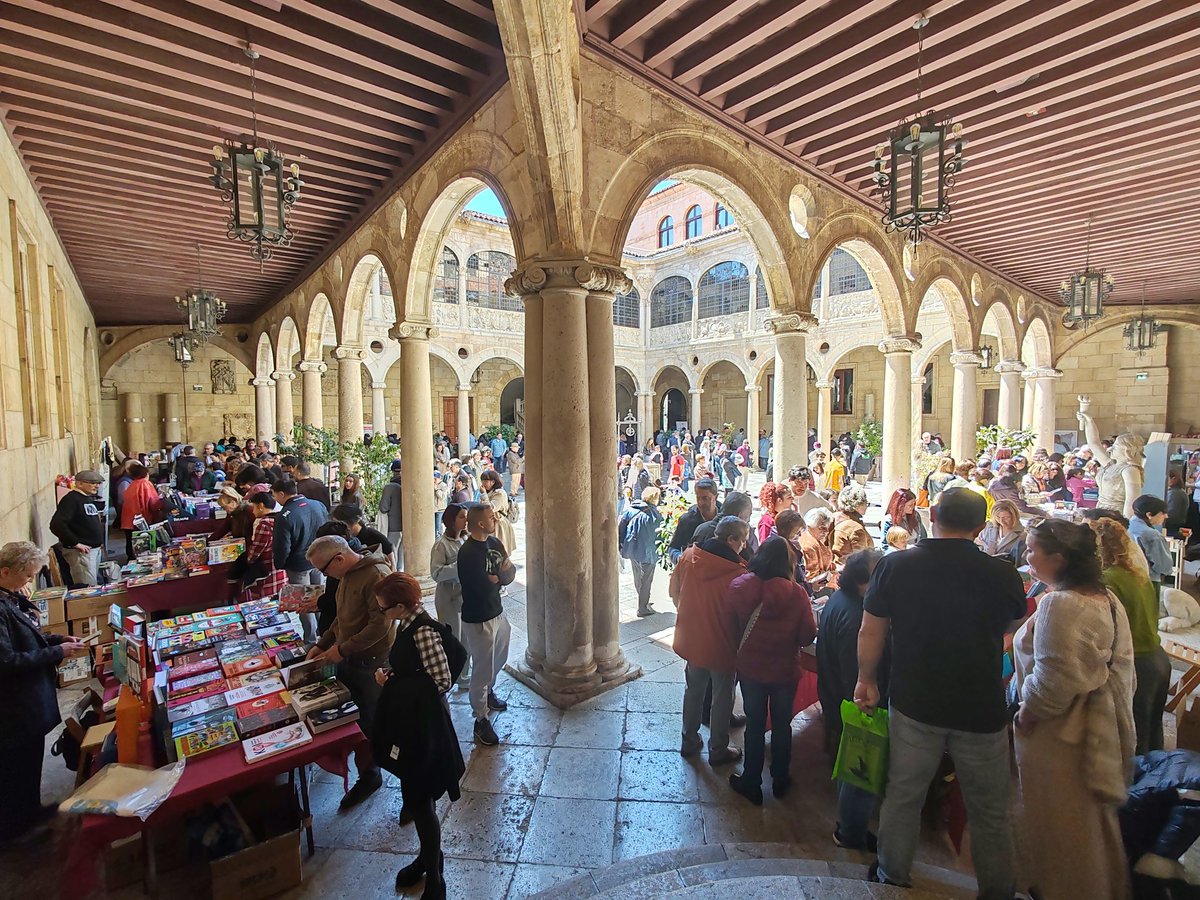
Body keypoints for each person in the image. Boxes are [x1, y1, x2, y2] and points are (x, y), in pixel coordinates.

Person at [855, 488, 1026, 897]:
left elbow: (871, 629)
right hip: (979, 704)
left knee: (903, 795)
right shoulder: (1001, 572)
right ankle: (998, 890)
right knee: (989, 811)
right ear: (981, 527)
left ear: (933, 516)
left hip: (916, 698)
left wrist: (866, 678)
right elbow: (1014, 624)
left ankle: (892, 874)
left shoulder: (896, 566)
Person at [1013, 520, 1135, 900]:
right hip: (1095, 724)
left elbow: (1053, 679)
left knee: (1060, 821)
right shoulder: (1106, 597)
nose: (1027, 557)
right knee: (1088, 821)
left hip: (1060, 732)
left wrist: (1026, 713)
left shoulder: (1060, 604)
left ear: (1059, 559)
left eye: (1033, 550)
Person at [372, 572, 463, 900]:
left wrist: (394, 684)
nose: (382, 613)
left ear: (398, 606)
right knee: (415, 796)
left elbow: (441, 679)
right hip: (413, 721)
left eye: (384, 608)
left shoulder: (422, 630)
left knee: (422, 801)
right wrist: (395, 674)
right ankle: (426, 859)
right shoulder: (405, 624)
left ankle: (435, 878)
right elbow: (416, 671)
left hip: (426, 726)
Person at [0, 542, 90, 847]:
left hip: (27, 702)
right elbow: (6, 660)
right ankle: (14, 831)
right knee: (15, 768)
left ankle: (30, 813)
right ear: (5, 571)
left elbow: (26, 637)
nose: (29, 583)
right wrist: (56, 652)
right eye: (27, 576)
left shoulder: (9, 597)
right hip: (14, 705)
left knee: (29, 762)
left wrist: (56, 639)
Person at [305, 535, 393, 808]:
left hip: (370, 663)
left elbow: (381, 626)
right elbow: (342, 620)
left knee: (370, 721)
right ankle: (368, 770)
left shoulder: (376, 575)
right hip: (351, 659)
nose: (324, 575)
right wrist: (323, 644)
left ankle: (374, 773)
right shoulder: (347, 575)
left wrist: (342, 650)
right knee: (356, 719)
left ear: (339, 558)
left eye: (323, 569)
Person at [727, 536, 817, 805]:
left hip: (751, 670)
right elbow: (806, 637)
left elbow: (731, 629)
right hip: (784, 671)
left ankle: (751, 781)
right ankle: (780, 778)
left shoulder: (739, 588)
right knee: (782, 725)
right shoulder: (797, 594)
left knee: (754, 725)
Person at [818, 548, 886, 851]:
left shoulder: (841, 600)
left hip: (837, 699)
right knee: (858, 770)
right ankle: (851, 831)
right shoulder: (857, 615)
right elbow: (853, 673)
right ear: (865, 582)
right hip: (852, 706)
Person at [669, 515, 748, 767]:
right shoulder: (737, 573)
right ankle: (718, 748)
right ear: (730, 539)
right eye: (742, 541)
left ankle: (689, 741)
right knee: (722, 696)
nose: (744, 546)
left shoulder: (690, 556)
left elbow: (674, 592)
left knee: (693, 690)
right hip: (721, 644)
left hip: (692, 637)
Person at [1091, 517, 1171, 755]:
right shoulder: (1137, 575)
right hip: (1158, 658)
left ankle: (1138, 789)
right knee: (1153, 731)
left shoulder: (1107, 580)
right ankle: (1154, 786)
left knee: (1134, 739)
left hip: (1137, 663)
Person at [456, 503, 515, 746]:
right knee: (481, 669)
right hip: (478, 617)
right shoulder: (468, 552)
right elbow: (480, 585)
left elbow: (509, 575)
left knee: (499, 657)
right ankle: (480, 719)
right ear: (480, 523)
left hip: (497, 612)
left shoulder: (494, 543)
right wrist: (498, 577)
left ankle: (488, 693)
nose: (496, 519)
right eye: (492, 517)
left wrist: (499, 577)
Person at [272, 478, 328, 643]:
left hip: (298, 564)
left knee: (304, 602)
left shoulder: (284, 516)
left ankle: (310, 639)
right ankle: (323, 633)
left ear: (282, 494)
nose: (275, 499)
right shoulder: (317, 505)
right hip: (320, 560)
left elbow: (282, 546)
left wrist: (280, 564)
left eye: (275, 495)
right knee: (319, 596)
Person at [430, 504, 470, 689]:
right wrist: (460, 566)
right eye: (462, 517)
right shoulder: (441, 545)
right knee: (455, 637)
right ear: (451, 520)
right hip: (448, 597)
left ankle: (464, 673)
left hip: (464, 597)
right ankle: (454, 675)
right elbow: (436, 573)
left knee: (467, 637)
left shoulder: (464, 539)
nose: (466, 520)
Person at [49, 470, 106, 586]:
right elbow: (57, 524)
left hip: (92, 551)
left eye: (98, 483)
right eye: (92, 483)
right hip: (81, 553)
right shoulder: (71, 499)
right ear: (79, 484)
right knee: (87, 587)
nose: (97, 486)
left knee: (93, 585)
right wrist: (75, 543)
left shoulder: (86, 498)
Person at [618, 486, 664, 617]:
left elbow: (621, 528)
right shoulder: (655, 514)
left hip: (632, 549)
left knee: (638, 576)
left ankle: (642, 601)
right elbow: (660, 534)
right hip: (648, 551)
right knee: (646, 579)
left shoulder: (630, 510)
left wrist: (620, 545)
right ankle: (643, 607)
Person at [238, 491, 288, 603]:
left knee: (265, 601)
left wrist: (248, 560)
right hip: (281, 565)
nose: (253, 512)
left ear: (261, 506)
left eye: (254, 508)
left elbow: (256, 549)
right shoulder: (281, 518)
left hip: (266, 568)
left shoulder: (264, 524)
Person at [667, 478, 720, 563]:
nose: (701, 502)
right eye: (698, 498)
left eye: (705, 498)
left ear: (716, 497)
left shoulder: (725, 518)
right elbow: (673, 547)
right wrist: (680, 558)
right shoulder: (687, 520)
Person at [120, 462, 163, 559]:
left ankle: (130, 561)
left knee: (130, 543)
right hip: (140, 520)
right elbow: (153, 502)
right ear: (146, 474)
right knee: (142, 547)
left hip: (127, 520)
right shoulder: (145, 483)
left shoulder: (132, 484)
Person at [1129, 494, 1174, 587]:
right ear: (1149, 514)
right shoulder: (1152, 535)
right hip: (1148, 580)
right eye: (1163, 513)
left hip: (1128, 578)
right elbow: (1164, 566)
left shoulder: (1125, 526)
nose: (1166, 516)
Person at [330, 504, 394, 567]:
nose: (336, 528)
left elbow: (392, 566)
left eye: (338, 524)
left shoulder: (376, 537)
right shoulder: (341, 538)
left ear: (349, 523)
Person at [799, 507, 838, 593]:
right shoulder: (808, 545)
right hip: (816, 592)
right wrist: (832, 576)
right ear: (810, 526)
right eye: (822, 528)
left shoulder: (815, 540)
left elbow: (827, 565)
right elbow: (811, 578)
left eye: (827, 528)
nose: (827, 531)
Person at [975, 499, 1026, 564]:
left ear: (1014, 516)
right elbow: (977, 545)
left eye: (1006, 518)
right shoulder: (988, 527)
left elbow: (1020, 563)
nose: (1002, 522)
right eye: (998, 517)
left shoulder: (1022, 535)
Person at [832, 484, 872, 566]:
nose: (866, 506)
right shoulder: (855, 528)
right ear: (857, 504)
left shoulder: (835, 517)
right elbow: (860, 559)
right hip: (849, 570)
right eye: (865, 503)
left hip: (837, 566)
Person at [479, 470, 516, 557]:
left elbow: (490, 508)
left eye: (486, 480)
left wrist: (484, 494)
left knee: (500, 551)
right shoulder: (489, 492)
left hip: (499, 525)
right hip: (490, 523)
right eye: (482, 480)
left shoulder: (500, 493)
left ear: (493, 481)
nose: (483, 483)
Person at [378, 460, 404, 569]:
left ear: (392, 471)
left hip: (393, 526)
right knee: (402, 556)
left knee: (392, 553)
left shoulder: (390, 487)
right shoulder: (409, 485)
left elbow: (383, 507)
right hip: (408, 526)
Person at [755, 481, 794, 546]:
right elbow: (765, 547)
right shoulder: (767, 522)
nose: (793, 499)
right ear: (779, 500)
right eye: (789, 497)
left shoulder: (785, 516)